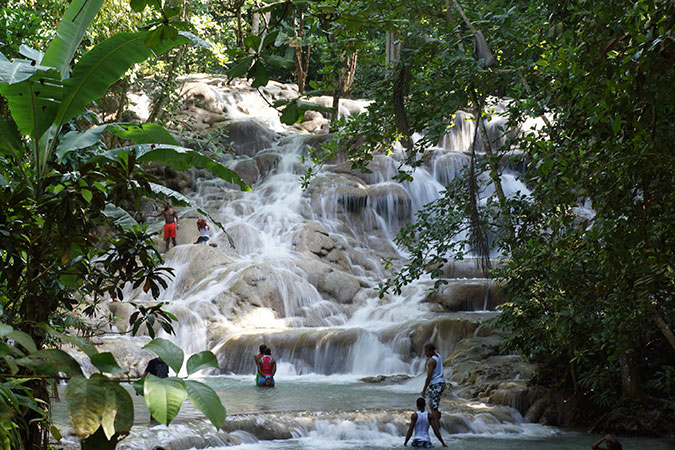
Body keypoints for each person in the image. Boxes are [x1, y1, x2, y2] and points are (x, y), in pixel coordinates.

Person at [421, 343, 445, 430]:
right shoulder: (438, 355)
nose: (425, 353)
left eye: (426, 352)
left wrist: (424, 389)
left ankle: (437, 428)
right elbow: (436, 350)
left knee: (433, 407)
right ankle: (437, 416)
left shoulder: (431, 362)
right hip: (441, 383)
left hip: (435, 383)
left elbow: (429, 376)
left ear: (431, 351)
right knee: (432, 405)